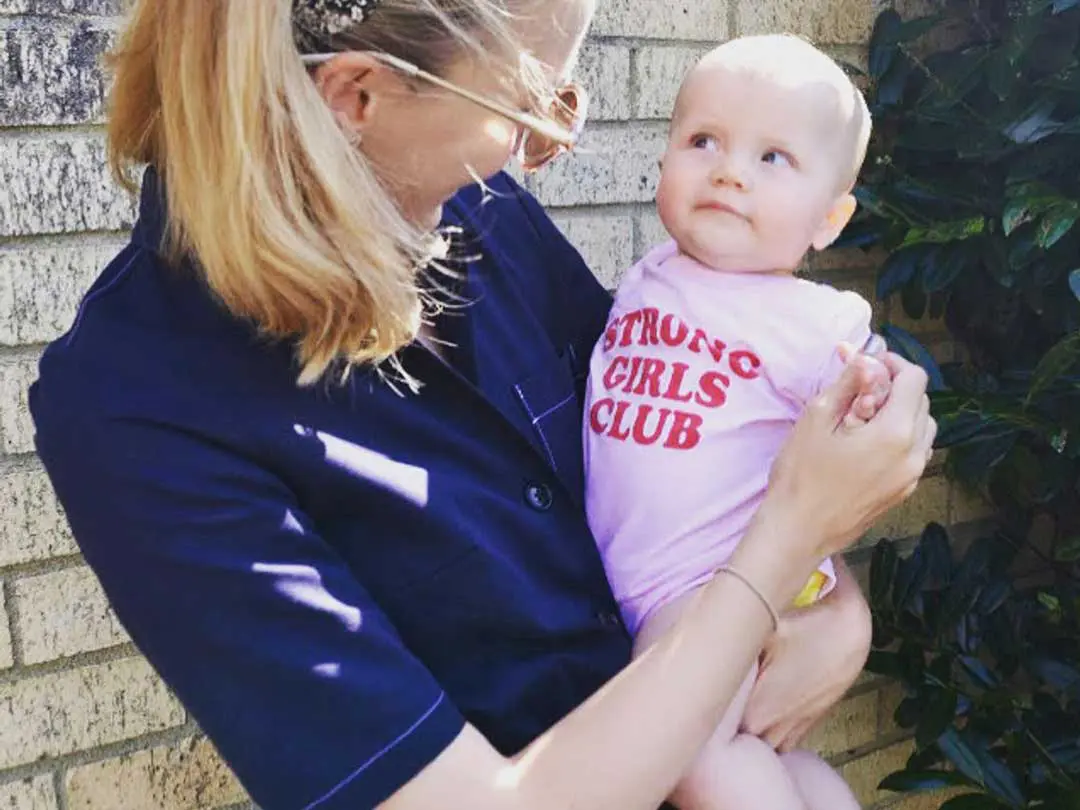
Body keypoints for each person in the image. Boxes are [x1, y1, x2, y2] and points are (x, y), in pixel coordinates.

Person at [27, 2, 935, 809]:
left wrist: (834, 607)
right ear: (357, 95)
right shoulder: (137, 411)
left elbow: (683, 449)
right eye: (534, 111)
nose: (542, 150)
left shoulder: (481, 214)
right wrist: (781, 554)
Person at [584, 35, 889, 810]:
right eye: (703, 141)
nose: (728, 170)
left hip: (717, 586)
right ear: (663, 161)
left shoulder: (817, 324)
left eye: (772, 158)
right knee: (759, 755)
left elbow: (872, 443)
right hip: (653, 583)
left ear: (829, 218)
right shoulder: (646, 276)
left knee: (691, 756)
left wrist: (875, 395)